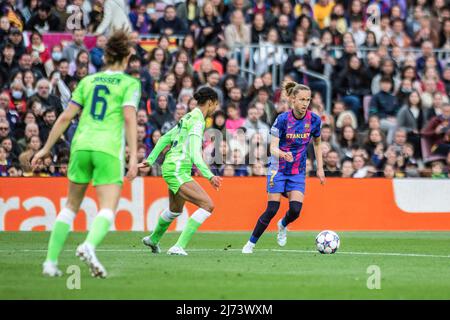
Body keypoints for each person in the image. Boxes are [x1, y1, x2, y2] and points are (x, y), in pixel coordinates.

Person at [32, 30, 140, 278]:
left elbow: (65, 117)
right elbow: (128, 117)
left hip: (80, 145)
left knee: (70, 206)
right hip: (107, 148)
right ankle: (89, 246)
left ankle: (50, 263)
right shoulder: (129, 84)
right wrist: (133, 157)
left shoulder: (88, 81)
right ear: (126, 59)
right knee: (107, 208)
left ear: (106, 56)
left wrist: (46, 148)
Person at [242, 81, 325, 254]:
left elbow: (317, 144)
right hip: (277, 169)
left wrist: (320, 168)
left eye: (308, 100)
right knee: (272, 209)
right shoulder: (282, 119)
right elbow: (272, 147)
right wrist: (282, 154)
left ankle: (283, 225)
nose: (305, 103)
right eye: (302, 99)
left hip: (297, 171)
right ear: (293, 100)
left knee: (295, 210)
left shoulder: (314, 120)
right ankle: (250, 244)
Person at [138, 87, 222, 256]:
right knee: (207, 205)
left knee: (175, 209)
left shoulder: (188, 117)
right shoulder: (198, 122)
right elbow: (194, 154)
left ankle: (153, 239)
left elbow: (164, 138)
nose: (216, 109)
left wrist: (151, 159)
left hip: (173, 167)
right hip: (177, 168)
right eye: (216, 105)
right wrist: (210, 175)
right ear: (210, 102)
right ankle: (178, 246)